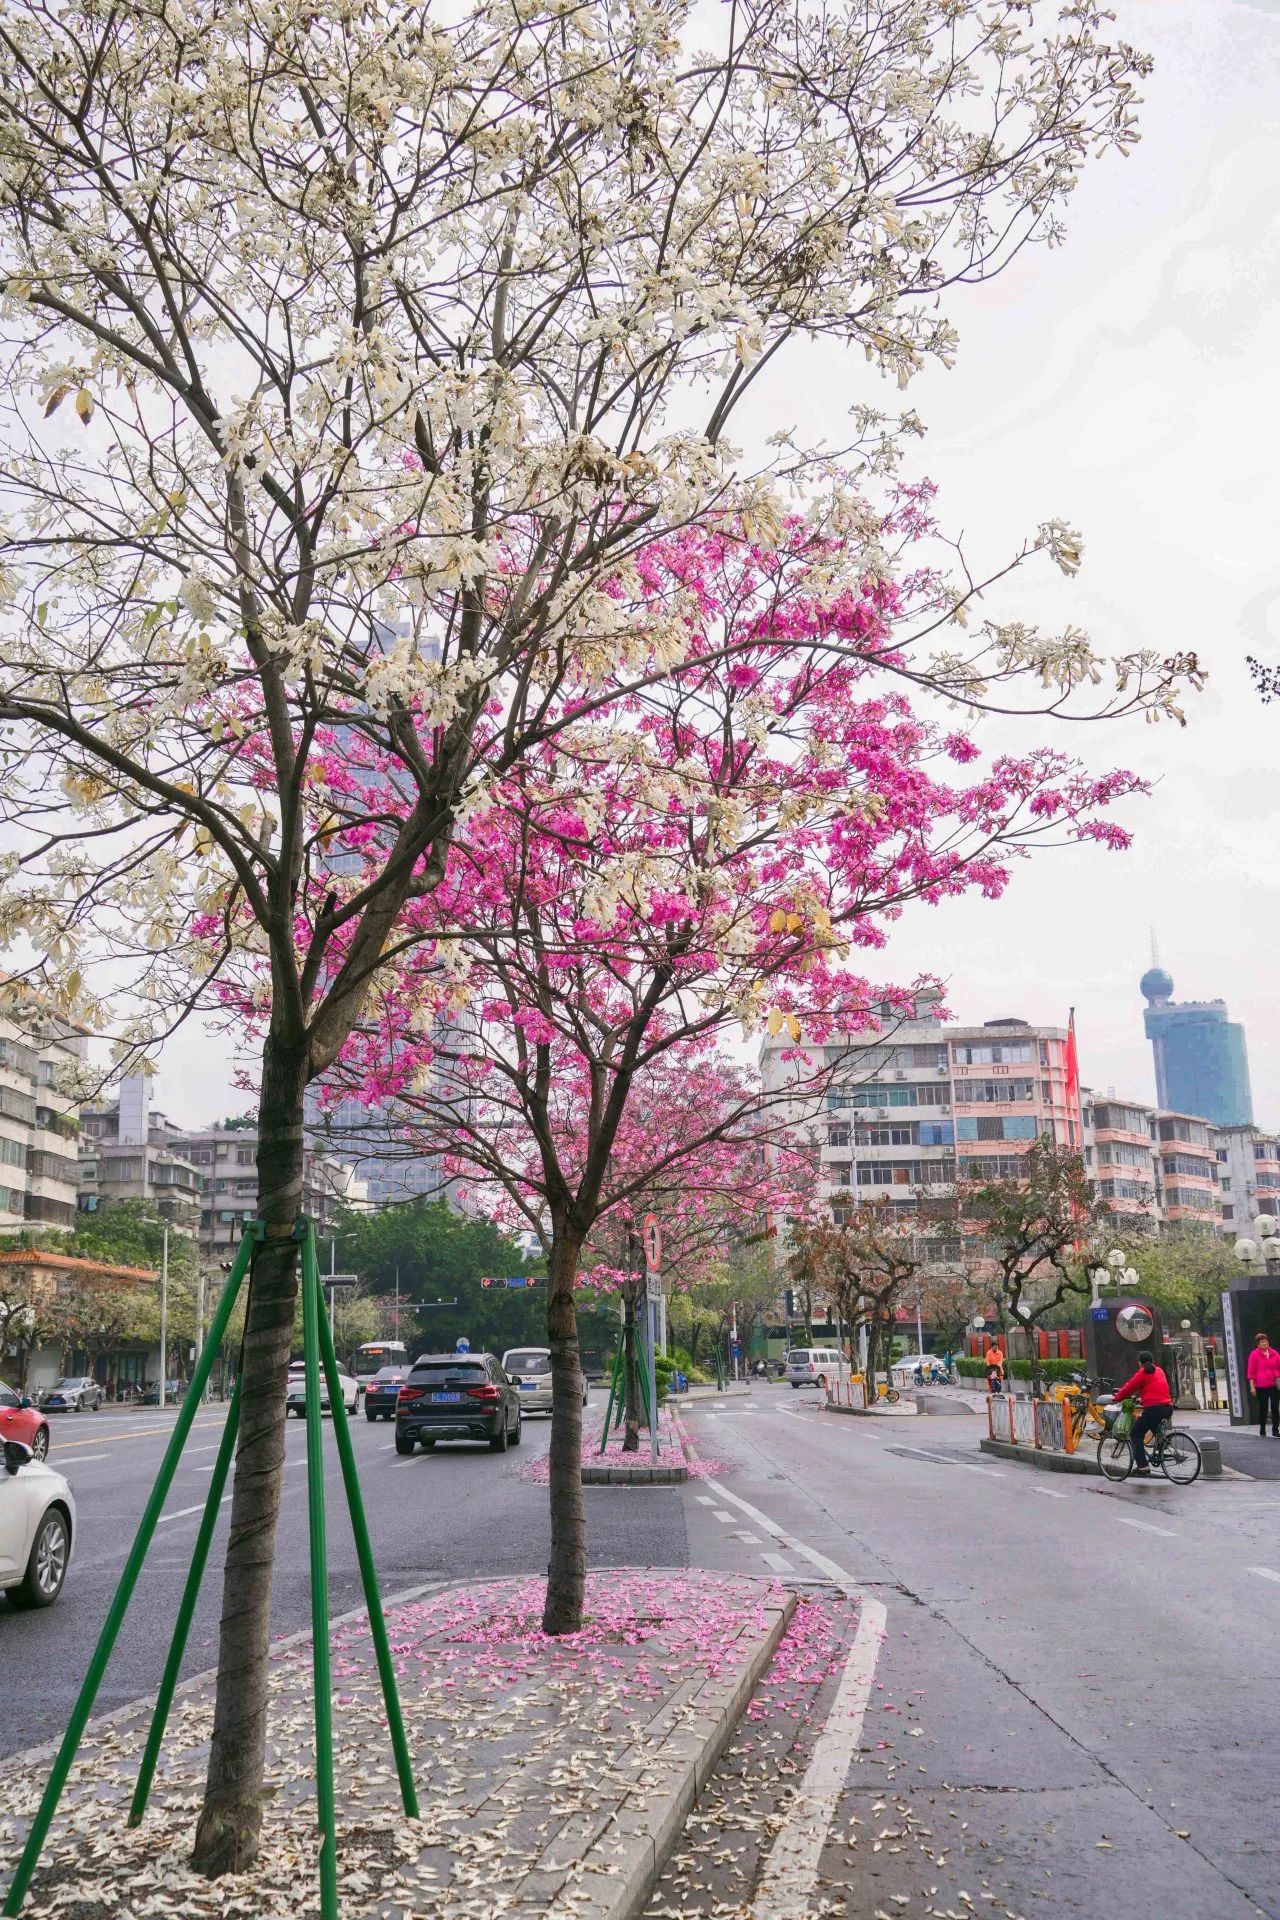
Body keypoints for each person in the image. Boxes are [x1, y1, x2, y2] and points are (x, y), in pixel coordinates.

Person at [1110, 1351, 1174, 1477]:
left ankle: (1143, 1466)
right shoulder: (1159, 1370)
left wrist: (1116, 1398)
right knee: (1152, 1424)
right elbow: (1156, 1389)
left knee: (1135, 1434)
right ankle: (1161, 1447)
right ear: (1153, 1361)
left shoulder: (1142, 1372)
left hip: (1154, 1409)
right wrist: (1143, 1399)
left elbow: (1129, 1387)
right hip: (1167, 1407)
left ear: (1140, 1363)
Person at [1247, 1332, 1280, 1437]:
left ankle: (1275, 1430)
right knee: (1263, 1407)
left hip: (1274, 1384)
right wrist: (1252, 1387)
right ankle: (1262, 1428)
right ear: (1258, 1344)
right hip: (1261, 1386)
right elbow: (1251, 1372)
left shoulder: (1274, 1353)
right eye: (1262, 1342)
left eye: (1266, 1341)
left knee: (1275, 1407)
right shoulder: (1254, 1355)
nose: (1265, 1343)